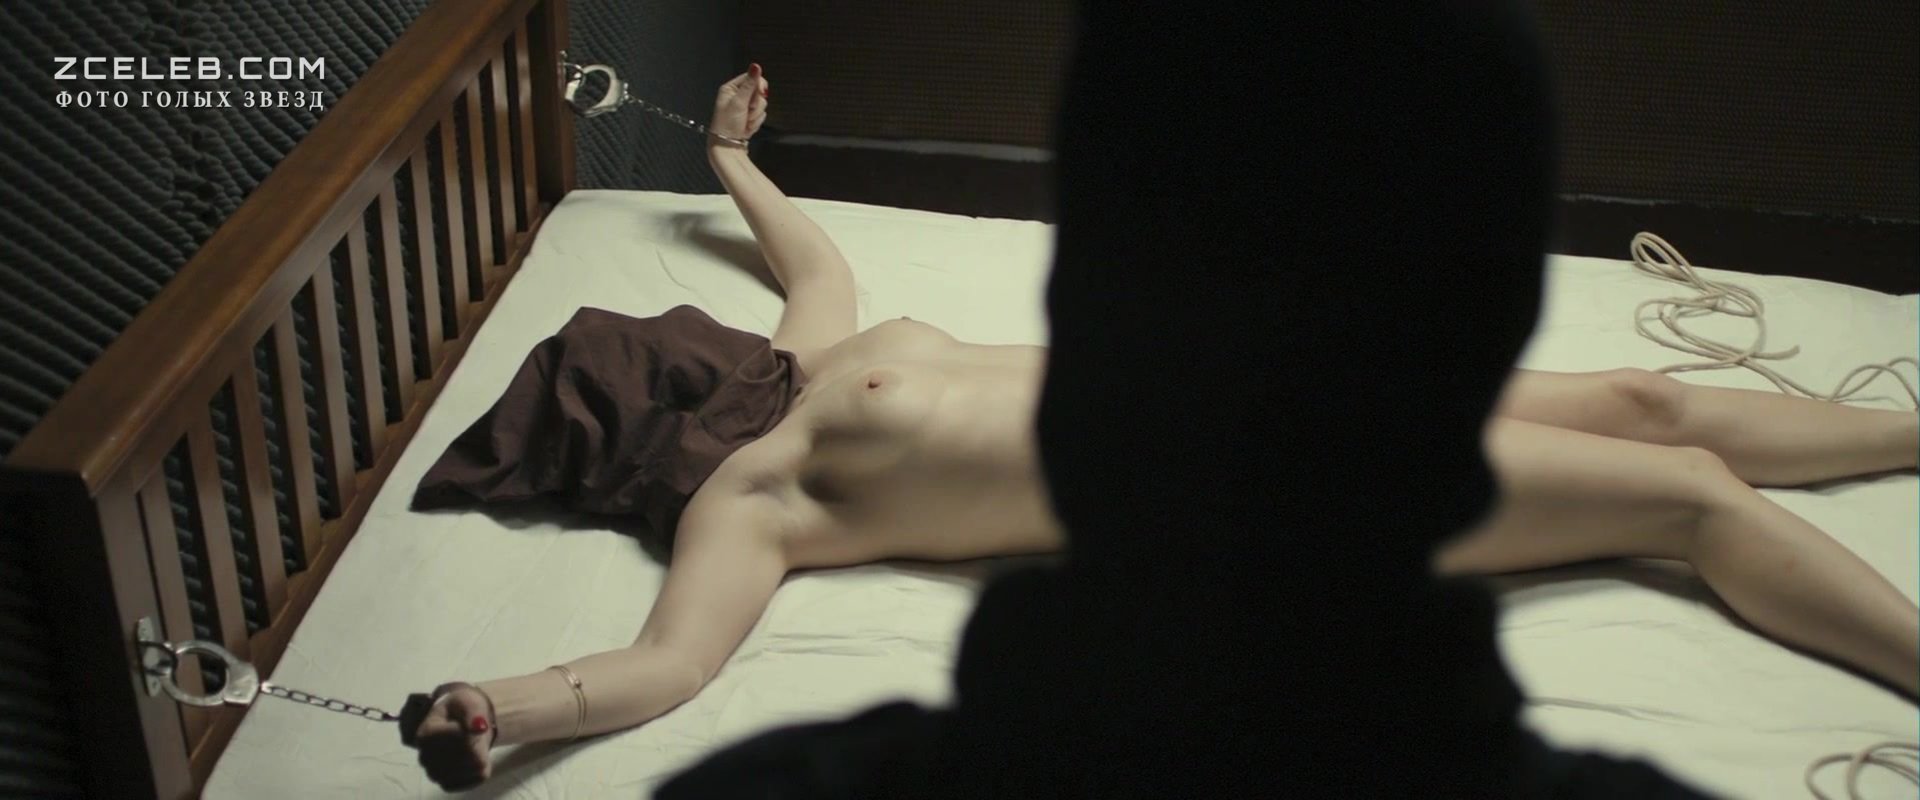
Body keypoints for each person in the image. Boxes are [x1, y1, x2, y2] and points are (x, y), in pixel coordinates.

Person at [401, 54, 1918, 794]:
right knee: (1687, 493)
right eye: (649, 360)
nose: (681, 342)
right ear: (634, 427)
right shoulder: (755, 500)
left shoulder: (804, 360)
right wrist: (499, 705)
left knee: (1652, 403)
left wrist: (735, 158)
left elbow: (811, 263)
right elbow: (666, 668)